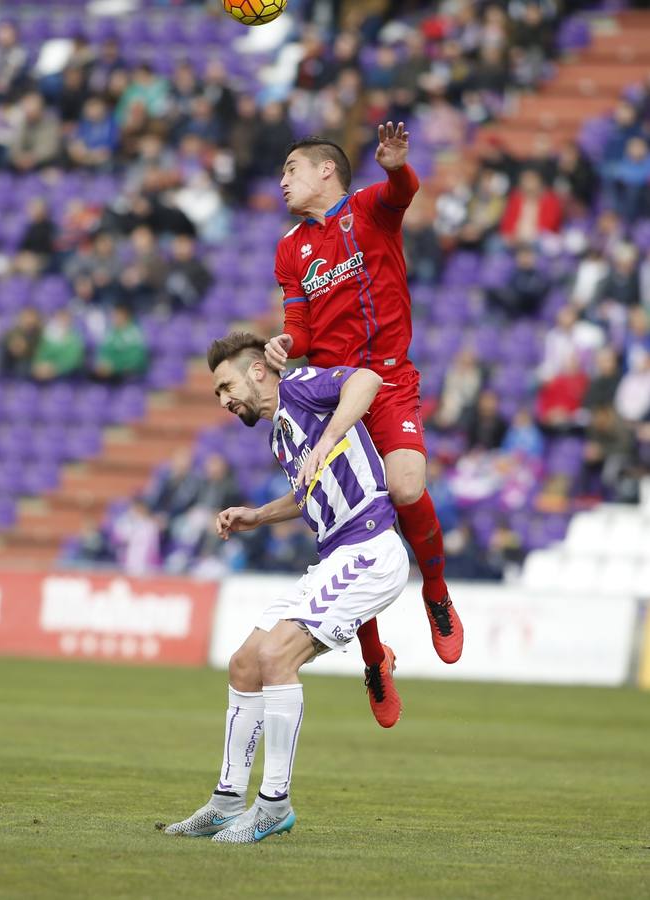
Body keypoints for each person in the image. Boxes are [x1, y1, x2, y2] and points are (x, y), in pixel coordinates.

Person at [164, 332, 409, 842]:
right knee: (245, 661)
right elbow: (306, 492)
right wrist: (257, 515)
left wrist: (326, 440)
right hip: (334, 558)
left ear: (258, 372)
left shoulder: (299, 386)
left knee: (278, 657)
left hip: (369, 549)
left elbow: (366, 379)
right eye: (216, 394)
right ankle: (228, 799)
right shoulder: (279, 434)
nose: (224, 400)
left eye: (226, 385)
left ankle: (273, 804)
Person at [263, 124, 464, 719]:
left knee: (405, 488)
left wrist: (398, 166)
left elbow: (402, 192)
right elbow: (300, 325)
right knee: (351, 532)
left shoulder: (368, 210)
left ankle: (436, 592)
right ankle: (375, 659)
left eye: (291, 169)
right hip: (335, 393)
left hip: (389, 378)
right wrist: (283, 343)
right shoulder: (289, 248)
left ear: (326, 170)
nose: (282, 180)